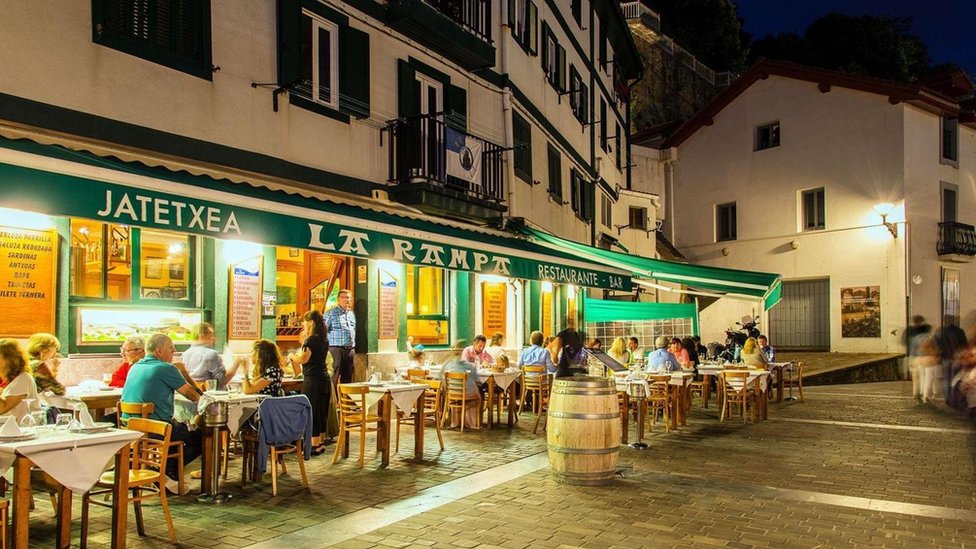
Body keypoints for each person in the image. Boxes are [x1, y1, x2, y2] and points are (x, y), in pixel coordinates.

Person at [120, 333, 201, 494]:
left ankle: (164, 471)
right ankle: (165, 471)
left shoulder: (135, 366)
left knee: (179, 431)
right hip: (156, 429)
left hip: (129, 427)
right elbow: (194, 396)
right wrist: (184, 374)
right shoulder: (166, 368)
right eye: (170, 348)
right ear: (159, 351)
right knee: (201, 437)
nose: (174, 351)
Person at [288, 310, 330, 453]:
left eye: (305, 321)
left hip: (312, 379)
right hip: (324, 377)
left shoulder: (310, 340)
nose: (303, 324)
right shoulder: (324, 339)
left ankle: (313, 444)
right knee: (321, 410)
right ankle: (321, 442)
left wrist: (292, 356)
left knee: (312, 409)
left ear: (311, 322)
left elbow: (303, 359)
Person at [181, 322, 241, 390]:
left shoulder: (184, 354)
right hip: (211, 396)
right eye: (211, 335)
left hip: (193, 394)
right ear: (201, 335)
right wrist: (236, 363)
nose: (214, 338)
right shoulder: (211, 354)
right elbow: (223, 380)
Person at [441, 344, 482, 429]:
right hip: (466, 394)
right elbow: (476, 379)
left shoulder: (447, 365)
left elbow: (441, 377)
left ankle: (454, 421)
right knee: (478, 394)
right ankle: (472, 422)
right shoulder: (469, 366)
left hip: (451, 394)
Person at [0, 339, 43, 420]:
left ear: (10, 359)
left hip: (22, 429)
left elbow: (2, 408)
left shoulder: (24, 379)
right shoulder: (3, 379)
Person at [325, 289, 356, 384]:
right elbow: (323, 330)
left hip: (350, 350)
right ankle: (332, 398)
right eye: (343, 297)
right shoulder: (331, 313)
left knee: (348, 378)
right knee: (334, 376)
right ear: (338, 299)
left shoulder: (352, 314)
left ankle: (345, 398)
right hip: (336, 349)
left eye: (348, 297)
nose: (346, 300)